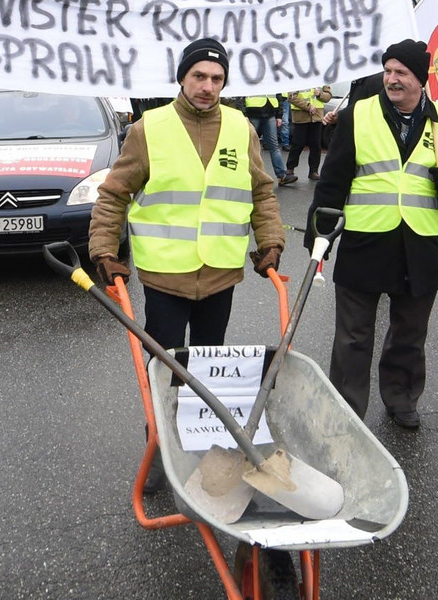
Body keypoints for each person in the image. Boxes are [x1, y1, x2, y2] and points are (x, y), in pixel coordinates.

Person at [87, 37, 285, 490]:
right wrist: (104, 250)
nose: (207, 86)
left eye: (217, 79)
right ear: (182, 77)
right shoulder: (148, 128)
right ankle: (160, 447)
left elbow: (261, 192)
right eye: (199, 76)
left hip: (220, 273)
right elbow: (114, 193)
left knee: (211, 365)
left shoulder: (241, 128)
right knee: (165, 367)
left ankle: (206, 446)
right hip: (166, 276)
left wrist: (270, 242)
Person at [307, 39, 438, 429]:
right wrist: (318, 236)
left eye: (401, 72)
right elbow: (333, 180)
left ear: (420, 79)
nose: (391, 79)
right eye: (387, 71)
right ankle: (347, 411)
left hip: (419, 246)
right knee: (352, 337)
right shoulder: (358, 115)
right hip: (364, 242)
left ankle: (401, 398)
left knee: (409, 333)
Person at [245, 94, 295, 185]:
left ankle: (281, 176)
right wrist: (243, 114)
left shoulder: (271, 79)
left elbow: (278, 95)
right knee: (249, 147)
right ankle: (246, 176)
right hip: (253, 114)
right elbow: (240, 95)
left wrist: (279, 115)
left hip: (270, 114)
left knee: (274, 146)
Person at [286, 84, 332, 180]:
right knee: (298, 144)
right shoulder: (299, 78)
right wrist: (308, 107)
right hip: (301, 117)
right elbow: (291, 97)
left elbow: (328, 96)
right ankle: (290, 169)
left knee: (316, 145)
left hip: (317, 117)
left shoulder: (323, 78)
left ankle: (313, 171)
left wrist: (320, 94)